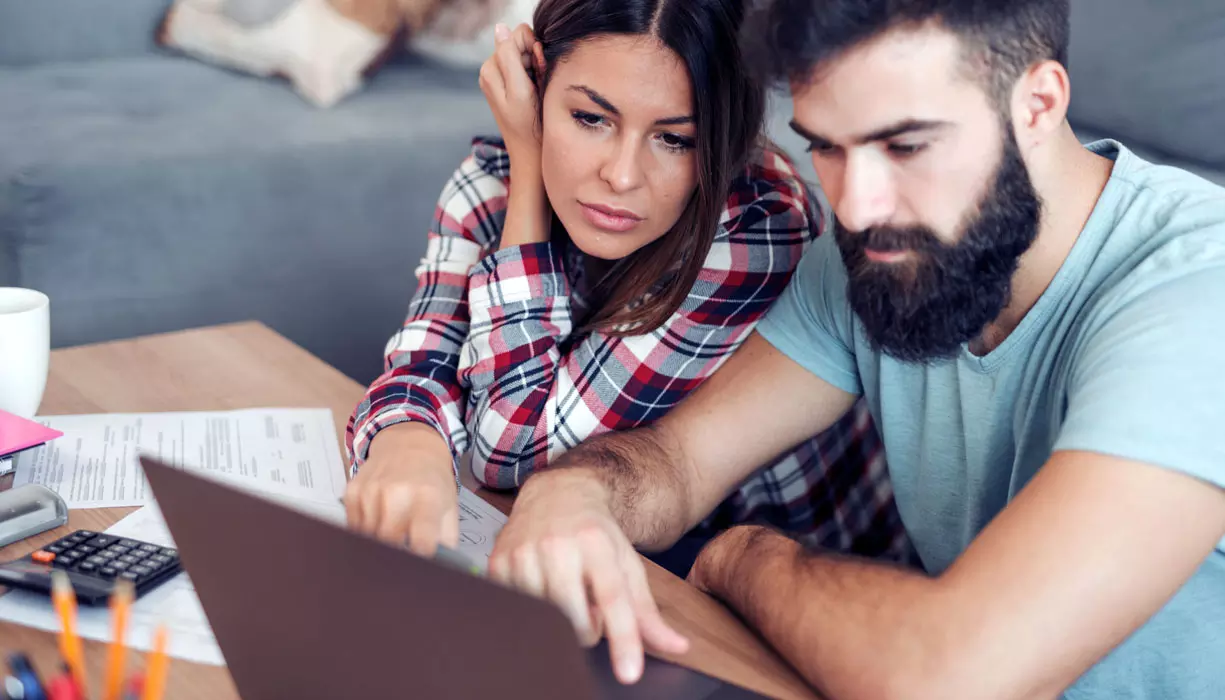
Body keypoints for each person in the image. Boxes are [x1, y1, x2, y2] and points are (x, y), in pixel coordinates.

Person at [486, 0, 1225, 695]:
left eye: (904, 144)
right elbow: (678, 463)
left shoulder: (1197, 292)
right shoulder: (877, 255)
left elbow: (952, 677)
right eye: (828, 148)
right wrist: (571, 494)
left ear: (1036, 103)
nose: (859, 205)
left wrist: (748, 558)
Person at [342, 0, 912, 572]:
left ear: (721, 139)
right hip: (630, 549)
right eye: (591, 119)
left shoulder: (759, 231)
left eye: (674, 140)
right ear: (535, 88)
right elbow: (422, 359)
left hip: (788, 576)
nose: (620, 175)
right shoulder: (492, 183)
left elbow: (513, 454)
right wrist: (408, 443)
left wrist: (527, 200)